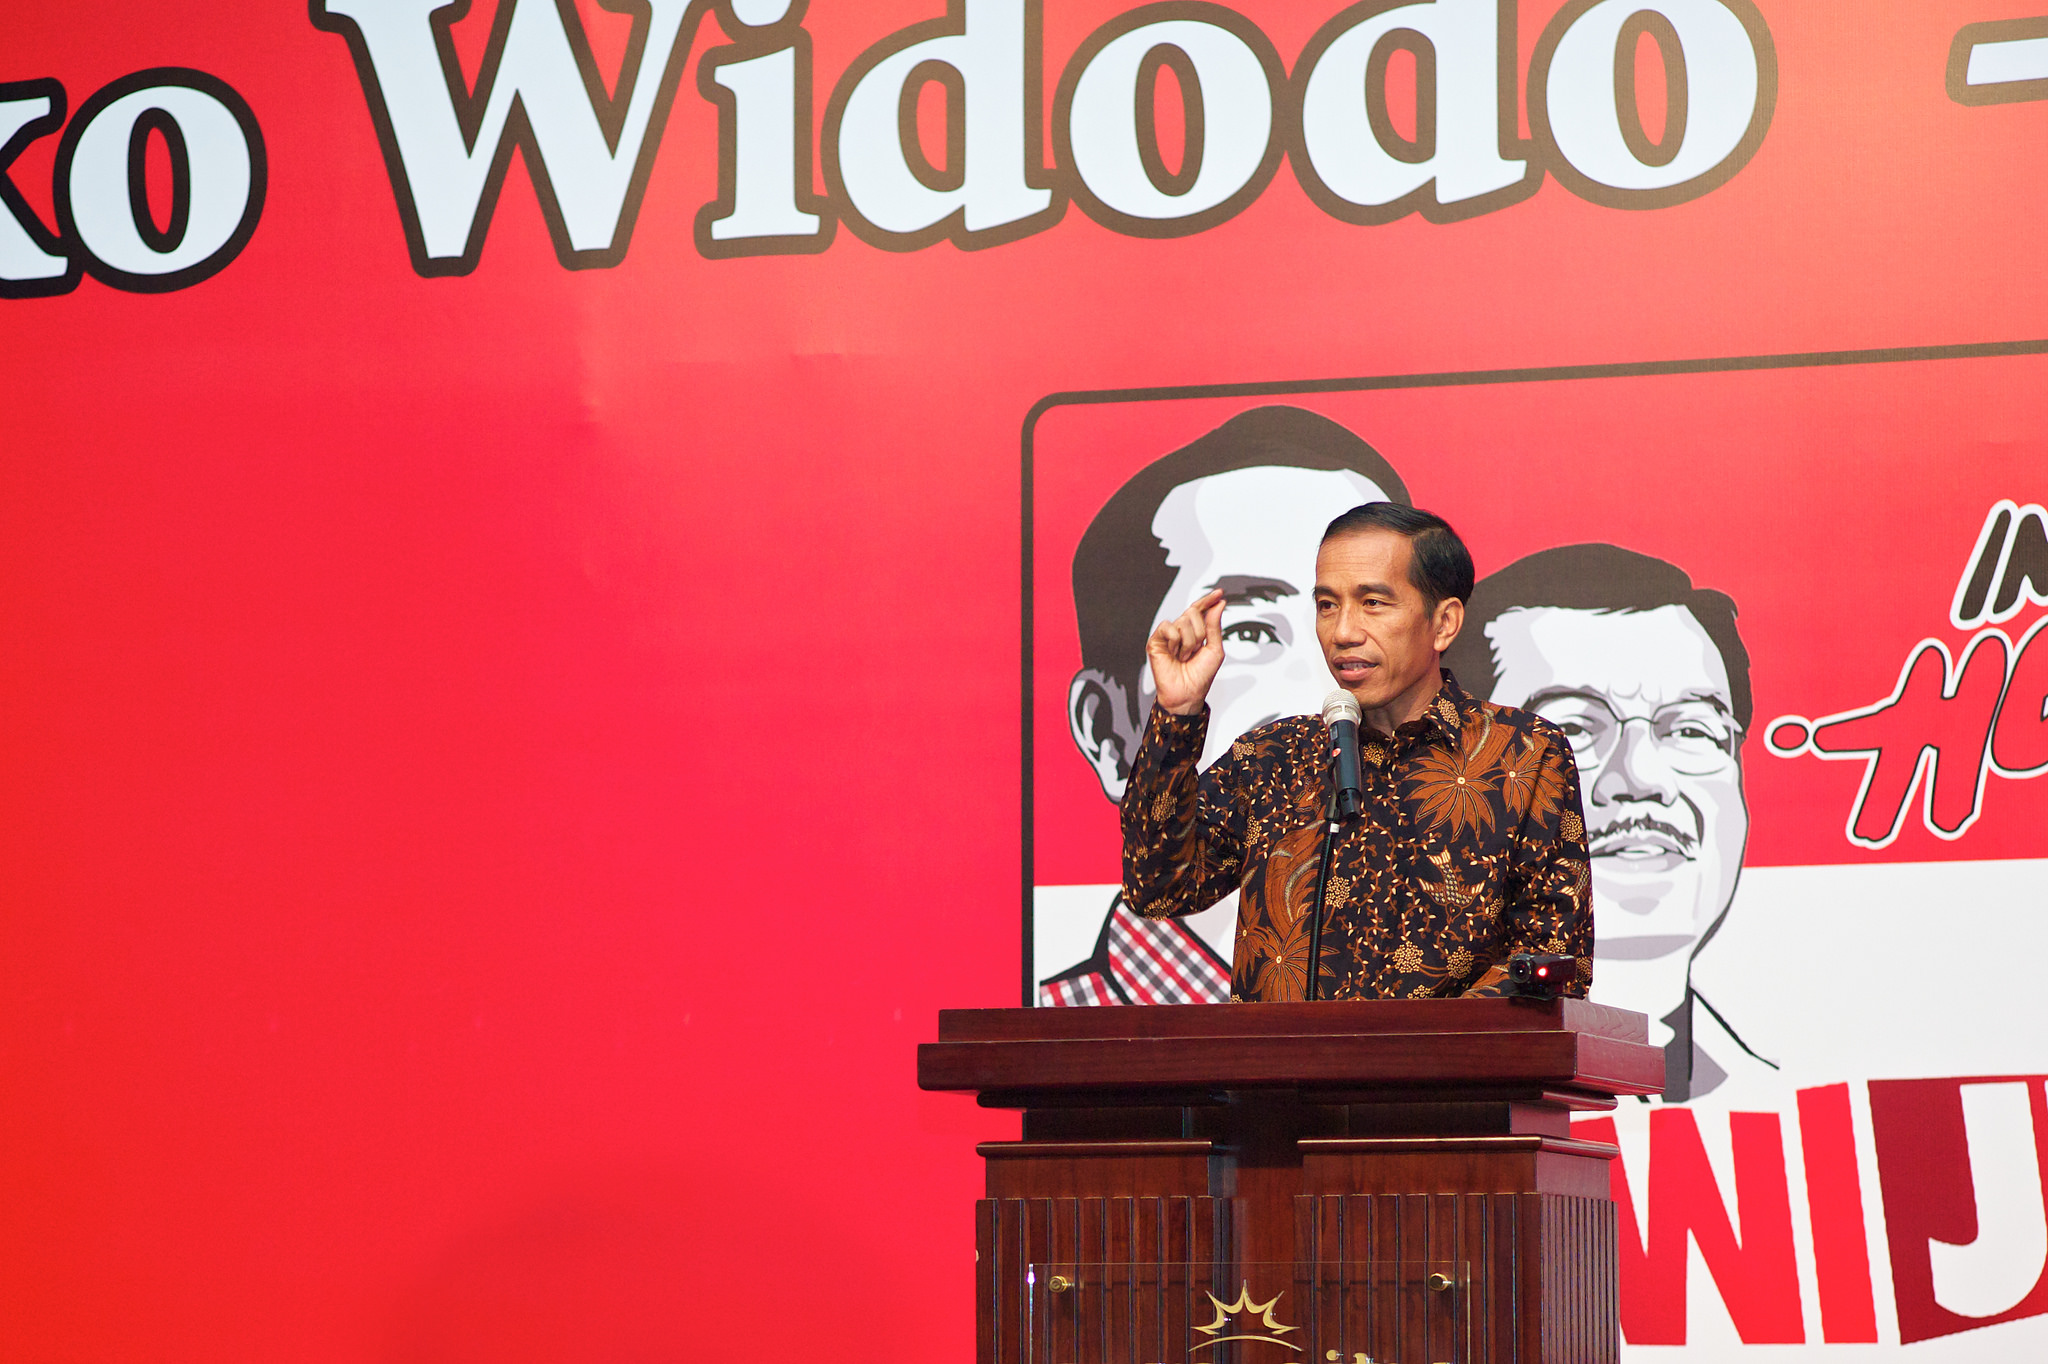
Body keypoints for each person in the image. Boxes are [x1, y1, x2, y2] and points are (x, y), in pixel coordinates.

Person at [1121, 504, 1593, 1002]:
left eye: (1372, 603)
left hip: (1449, 1078)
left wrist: (1405, 1050)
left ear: (1444, 623)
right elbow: (1156, 889)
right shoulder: (1273, 758)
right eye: (1327, 605)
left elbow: (1553, 962)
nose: (1343, 631)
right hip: (1276, 1076)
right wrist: (1178, 713)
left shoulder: (1523, 753)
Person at [1039, 406, 1410, 1006]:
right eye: (1250, 633)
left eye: (1364, 610)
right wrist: (1178, 718)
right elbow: (1159, 883)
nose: (1329, 659)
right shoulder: (1066, 1023)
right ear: (1106, 731)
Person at [1440, 544, 1772, 1100]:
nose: (1641, 777)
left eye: (1692, 730)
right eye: (1573, 730)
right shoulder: (1422, 1097)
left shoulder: (1772, 1092)